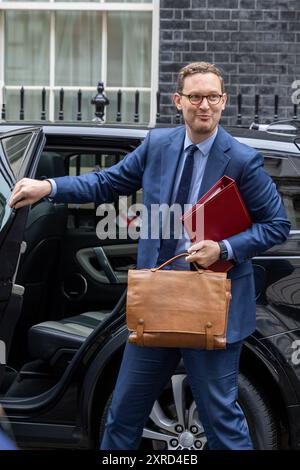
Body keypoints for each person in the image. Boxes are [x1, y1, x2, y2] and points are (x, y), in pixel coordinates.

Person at [9, 62, 290, 450]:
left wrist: (222, 249)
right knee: (122, 417)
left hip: (212, 303)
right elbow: (106, 182)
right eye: (195, 97)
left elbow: (275, 224)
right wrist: (49, 186)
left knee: (223, 422)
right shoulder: (158, 146)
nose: (203, 105)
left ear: (223, 101)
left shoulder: (243, 160)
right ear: (179, 101)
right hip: (158, 299)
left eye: (211, 97)